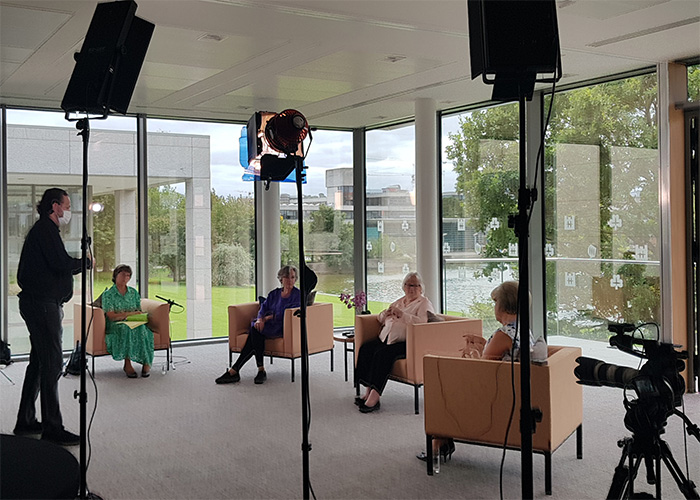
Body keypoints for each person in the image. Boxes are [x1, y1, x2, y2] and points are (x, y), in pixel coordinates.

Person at [417, 280, 535, 463]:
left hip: (496, 395)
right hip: (512, 387)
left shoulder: (503, 335)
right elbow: (498, 358)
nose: (494, 306)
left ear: (502, 305)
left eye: (496, 302)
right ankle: (442, 440)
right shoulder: (522, 329)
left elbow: (482, 370)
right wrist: (484, 343)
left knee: (443, 387)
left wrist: (475, 352)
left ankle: (438, 444)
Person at [14, 188, 92, 446]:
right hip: (43, 306)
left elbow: (56, 264)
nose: (68, 211)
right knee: (52, 365)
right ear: (55, 206)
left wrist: (80, 263)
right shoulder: (45, 231)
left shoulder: (44, 232)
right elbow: (60, 264)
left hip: (39, 304)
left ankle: (26, 421)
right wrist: (84, 263)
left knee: (38, 363)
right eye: (67, 205)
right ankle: (52, 428)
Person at [355, 272, 434, 413]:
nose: (412, 288)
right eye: (409, 285)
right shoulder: (400, 301)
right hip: (387, 338)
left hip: (407, 342)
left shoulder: (424, 303)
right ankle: (367, 390)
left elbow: (423, 322)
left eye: (416, 285)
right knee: (366, 349)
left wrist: (402, 315)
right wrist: (384, 314)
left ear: (421, 288)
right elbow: (380, 318)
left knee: (382, 354)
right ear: (403, 287)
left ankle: (374, 396)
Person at [215, 265, 301, 385]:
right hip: (267, 324)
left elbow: (287, 314)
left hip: (282, 327)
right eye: (286, 277)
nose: (290, 280)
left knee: (255, 333)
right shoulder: (274, 294)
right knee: (256, 329)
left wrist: (266, 318)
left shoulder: (298, 295)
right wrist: (260, 319)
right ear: (281, 279)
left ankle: (236, 371)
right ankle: (258, 370)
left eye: (292, 277)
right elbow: (263, 308)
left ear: (296, 279)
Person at [102, 264, 154, 378]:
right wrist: (128, 314)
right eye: (122, 274)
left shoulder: (133, 292)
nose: (125, 277)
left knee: (143, 329)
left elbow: (137, 309)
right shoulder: (108, 294)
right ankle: (127, 363)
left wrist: (139, 315)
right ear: (116, 275)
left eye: (128, 275)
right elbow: (111, 316)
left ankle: (146, 362)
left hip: (132, 321)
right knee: (126, 329)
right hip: (116, 324)